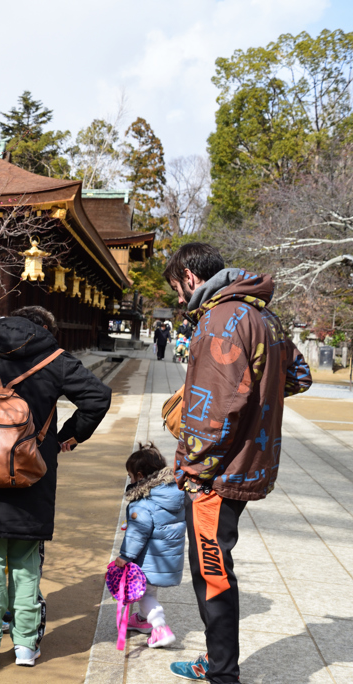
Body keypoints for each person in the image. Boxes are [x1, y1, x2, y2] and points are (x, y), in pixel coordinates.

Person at [162, 243, 312, 682]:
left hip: (216, 473)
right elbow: (299, 376)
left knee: (212, 573)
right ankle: (218, 662)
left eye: (176, 288)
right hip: (251, 462)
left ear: (190, 277)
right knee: (217, 565)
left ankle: (222, 673)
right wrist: (259, 394)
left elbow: (218, 408)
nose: (178, 298)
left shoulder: (219, 319)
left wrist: (190, 467)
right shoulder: (264, 315)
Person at [0, 305, 112, 670]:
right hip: (32, 472)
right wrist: (66, 436)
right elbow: (98, 397)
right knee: (26, 562)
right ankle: (26, 645)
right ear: (43, 329)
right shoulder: (55, 358)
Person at [116, 443, 185, 649]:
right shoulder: (173, 494)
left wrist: (125, 556)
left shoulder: (143, 502)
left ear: (139, 476)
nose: (130, 480)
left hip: (148, 559)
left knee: (144, 594)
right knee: (149, 590)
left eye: (130, 476)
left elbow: (137, 534)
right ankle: (143, 620)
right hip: (167, 558)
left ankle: (160, 628)